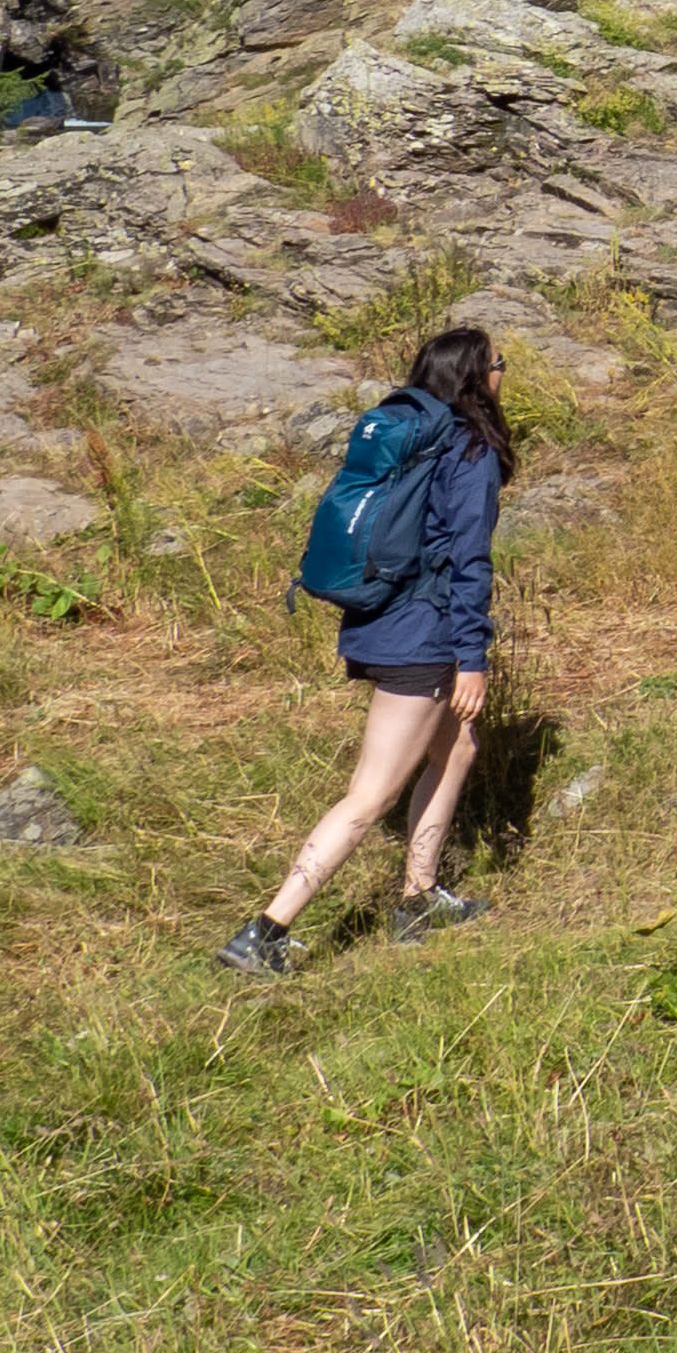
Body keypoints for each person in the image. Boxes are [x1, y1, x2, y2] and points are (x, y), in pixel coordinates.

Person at [215, 324, 514, 976]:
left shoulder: (408, 435)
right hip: (424, 634)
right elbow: (470, 561)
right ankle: (265, 932)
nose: (501, 372)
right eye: (497, 363)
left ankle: (419, 896)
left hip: (378, 620)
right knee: (370, 795)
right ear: (475, 378)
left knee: (457, 748)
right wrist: (472, 658)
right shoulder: (468, 450)